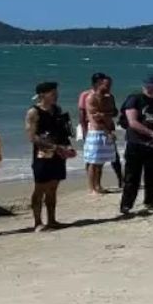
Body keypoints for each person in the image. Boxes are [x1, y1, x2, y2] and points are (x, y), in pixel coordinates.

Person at [26, 82, 75, 231]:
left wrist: (68, 147)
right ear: (42, 95)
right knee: (40, 188)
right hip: (43, 155)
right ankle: (37, 222)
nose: (56, 96)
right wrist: (54, 147)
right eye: (52, 93)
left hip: (58, 154)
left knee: (53, 187)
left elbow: (63, 131)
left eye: (56, 93)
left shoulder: (57, 110)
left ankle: (52, 220)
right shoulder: (33, 112)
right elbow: (32, 137)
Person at [120, 75, 153, 214]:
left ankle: (151, 200)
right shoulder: (135, 99)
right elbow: (132, 122)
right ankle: (126, 205)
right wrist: (151, 134)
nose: (150, 89)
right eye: (148, 86)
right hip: (136, 142)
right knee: (132, 176)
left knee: (152, 175)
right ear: (143, 86)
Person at [82, 73, 120, 195]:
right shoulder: (90, 98)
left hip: (108, 130)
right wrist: (107, 130)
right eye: (106, 85)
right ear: (98, 84)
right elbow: (94, 118)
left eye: (110, 85)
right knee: (93, 161)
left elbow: (114, 112)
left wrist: (105, 114)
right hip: (96, 132)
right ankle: (91, 188)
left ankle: (98, 185)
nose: (109, 87)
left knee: (101, 162)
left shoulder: (110, 97)